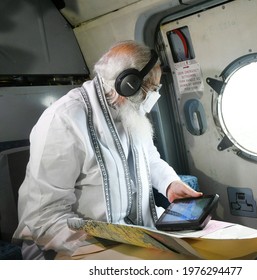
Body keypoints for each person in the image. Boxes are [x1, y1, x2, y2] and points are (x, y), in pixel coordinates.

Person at [12, 40, 202, 259]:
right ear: (129, 84)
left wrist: (170, 183)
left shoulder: (129, 110)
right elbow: (44, 218)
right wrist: (120, 253)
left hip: (131, 233)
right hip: (72, 245)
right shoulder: (64, 120)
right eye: (152, 89)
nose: (154, 96)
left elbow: (148, 158)